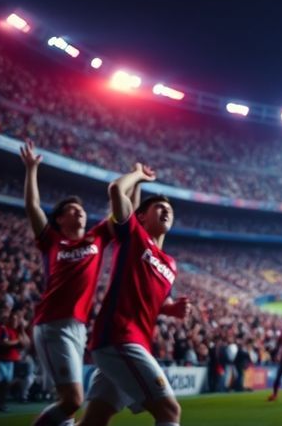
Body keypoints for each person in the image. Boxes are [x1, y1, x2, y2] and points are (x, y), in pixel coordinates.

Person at [79, 167, 191, 426]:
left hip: (135, 342)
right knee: (169, 411)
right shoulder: (133, 236)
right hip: (119, 338)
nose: (166, 212)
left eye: (169, 210)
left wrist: (172, 309)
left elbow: (160, 302)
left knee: (94, 421)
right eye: (160, 208)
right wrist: (138, 175)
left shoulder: (170, 264)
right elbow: (116, 190)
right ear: (141, 217)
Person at [19, 140, 113, 426]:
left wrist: (132, 183)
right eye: (72, 210)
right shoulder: (51, 240)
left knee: (69, 403)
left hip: (78, 325)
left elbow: (120, 213)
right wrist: (31, 170)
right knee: (73, 400)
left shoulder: (96, 237)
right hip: (53, 323)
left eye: (81, 210)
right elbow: (32, 206)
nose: (79, 212)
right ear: (59, 219)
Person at [0, 308, 28, 413]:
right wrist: (17, 341)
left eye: (16, 320)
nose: (15, 322)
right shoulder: (2, 329)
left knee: (6, 383)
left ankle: (0, 404)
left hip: (10, 361)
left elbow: (26, 343)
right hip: (0, 360)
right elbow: (3, 343)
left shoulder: (16, 331)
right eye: (13, 319)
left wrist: (22, 331)